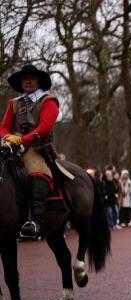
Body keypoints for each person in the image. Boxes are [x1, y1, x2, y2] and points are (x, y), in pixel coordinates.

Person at [0, 65, 60, 239]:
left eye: (31, 78)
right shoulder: (14, 103)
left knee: (36, 170)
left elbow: (44, 128)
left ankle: (35, 221)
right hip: (12, 145)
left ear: (38, 81)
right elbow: (4, 127)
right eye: (24, 78)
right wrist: (8, 137)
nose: (27, 81)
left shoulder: (48, 101)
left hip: (37, 148)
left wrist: (23, 140)